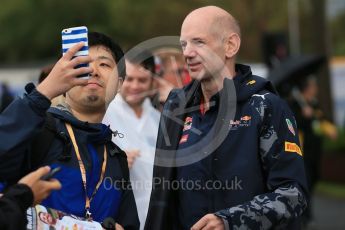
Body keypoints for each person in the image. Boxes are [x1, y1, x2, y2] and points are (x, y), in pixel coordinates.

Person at [145, 6, 308, 230]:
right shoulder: (176, 106)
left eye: (199, 42)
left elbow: (293, 194)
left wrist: (230, 221)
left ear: (230, 45)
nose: (188, 53)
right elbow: (163, 196)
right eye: (184, 44)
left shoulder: (265, 106)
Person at [0, 32, 139, 229]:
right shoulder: (39, 132)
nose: (93, 70)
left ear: (119, 84)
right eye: (82, 64)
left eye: (105, 64)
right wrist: (43, 93)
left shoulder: (117, 159)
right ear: (64, 79)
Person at [103, 52, 160, 230]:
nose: (135, 86)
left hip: (157, 217)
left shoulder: (159, 119)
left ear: (152, 82)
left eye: (142, 80)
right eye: (129, 79)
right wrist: (115, 164)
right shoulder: (103, 113)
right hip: (118, 217)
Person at [289, 75, 337, 225]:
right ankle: (305, 215)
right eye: (313, 86)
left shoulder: (314, 104)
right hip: (302, 152)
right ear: (307, 88)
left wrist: (328, 127)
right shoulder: (295, 104)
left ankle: (305, 213)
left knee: (314, 179)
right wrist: (303, 116)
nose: (315, 89)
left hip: (316, 151)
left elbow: (322, 120)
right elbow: (292, 124)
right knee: (306, 183)